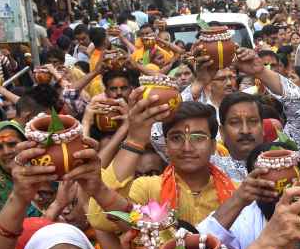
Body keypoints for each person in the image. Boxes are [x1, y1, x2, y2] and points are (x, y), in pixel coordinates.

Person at [88, 99, 235, 233]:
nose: (187, 147)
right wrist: (135, 140)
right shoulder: (147, 188)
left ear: (213, 146)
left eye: (198, 138)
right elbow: (100, 218)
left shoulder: (237, 193)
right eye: (176, 138)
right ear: (166, 146)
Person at [213, 92, 265, 182]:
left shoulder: (284, 162)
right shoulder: (211, 169)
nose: (245, 131)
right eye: (235, 122)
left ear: (263, 127)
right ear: (222, 132)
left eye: (252, 121)